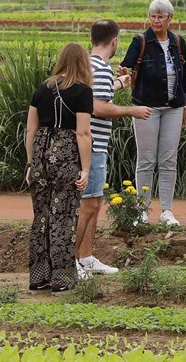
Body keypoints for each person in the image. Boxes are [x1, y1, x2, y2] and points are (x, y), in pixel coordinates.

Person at [74, 20, 152, 279]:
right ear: (114, 41)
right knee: (90, 204)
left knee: (93, 202)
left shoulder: (87, 64)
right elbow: (99, 106)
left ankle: (85, 257)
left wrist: (119, 83)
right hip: (94, 144)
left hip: (88, 144)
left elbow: (97, 95)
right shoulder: (102, 69)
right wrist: (133, 110)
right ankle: (73, 260)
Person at [25, 43, 93, 294]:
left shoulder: (42, 88)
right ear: (83, 62)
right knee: (63, 216)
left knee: (41, 216)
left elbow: (30, 129)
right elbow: (83, 132)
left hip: (42, 153)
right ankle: (62, 280)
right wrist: (85, 169)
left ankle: (38, 277)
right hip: (65, 154)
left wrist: (31, 163)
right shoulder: (83, 92)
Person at [118, 0, 186, 227]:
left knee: (169, 159)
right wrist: (122, 72)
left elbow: (184, 78)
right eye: (153, 16)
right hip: (145, 107)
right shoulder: (140, 41)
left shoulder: (178, 42)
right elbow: (126, 66)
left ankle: (167, 211)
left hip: (174, 107)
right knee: (147, 159)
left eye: (161, 16)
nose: (156, 20)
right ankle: (142, 210)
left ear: (170, 18)